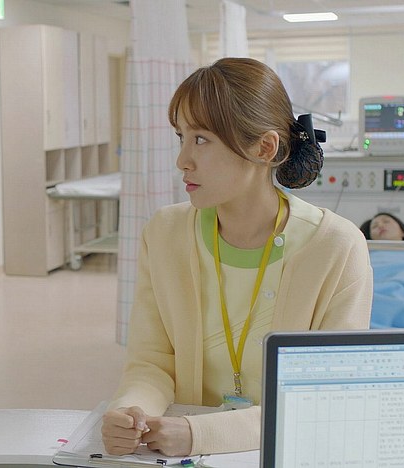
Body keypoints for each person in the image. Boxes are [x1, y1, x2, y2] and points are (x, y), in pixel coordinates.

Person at [101, 58, 373, 457]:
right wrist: (132, 411)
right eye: (181, 137)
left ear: (264, 147)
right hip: (179, 452)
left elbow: (327, 397)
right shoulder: (164, 234)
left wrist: (199, 434)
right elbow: (152, 361)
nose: (182, 160)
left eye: (201, 139)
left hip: (286, 451)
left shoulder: (336, 247)